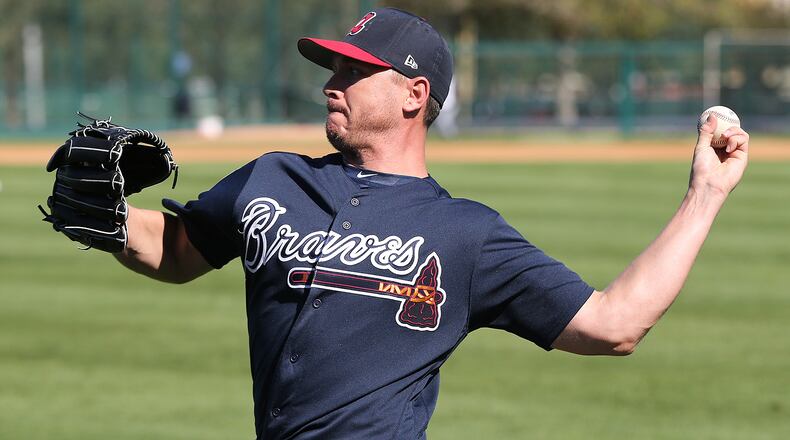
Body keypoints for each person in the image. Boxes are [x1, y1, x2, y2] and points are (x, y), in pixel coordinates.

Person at [114, 7, 749, 439]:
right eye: (334, 69)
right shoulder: (271, 179)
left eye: (356, 71)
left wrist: (705, 194)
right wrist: (106, 214)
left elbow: (614, 325)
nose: (334, 84)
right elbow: (175, 252)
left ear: (414, 95)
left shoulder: (465, 234)